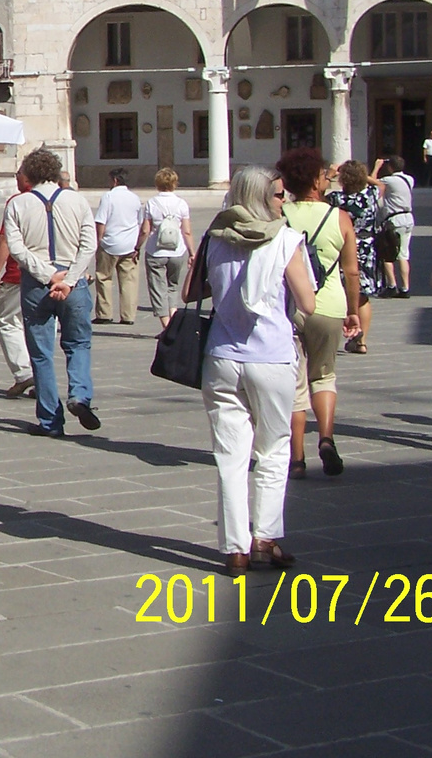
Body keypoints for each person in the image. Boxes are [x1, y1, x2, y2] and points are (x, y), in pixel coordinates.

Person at [194, 165, 317, 574]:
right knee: (273, 449)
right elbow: (308, 302)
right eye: (279, 194)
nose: (284, 201)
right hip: (271, 356)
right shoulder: (286, 240)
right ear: (265, 198)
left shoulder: (216, 238)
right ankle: (265, 536)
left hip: (222, 357)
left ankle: (235, 548)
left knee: (230, 456)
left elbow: (190, 292)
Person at [4, 148, 100, 436]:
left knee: (41, 353)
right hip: (73, 280)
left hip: (36, 283)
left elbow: (17, 248)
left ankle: (50, 421)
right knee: (78, 343)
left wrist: (48, 275)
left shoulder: (18, 204)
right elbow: (89, 245)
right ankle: (80, 395)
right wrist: (69, 279)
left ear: (29, 174)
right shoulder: (77, 200)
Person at [278, 148, 361, 479]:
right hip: (328, 306)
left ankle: (296, 459)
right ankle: (326, 438)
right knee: (324, 376)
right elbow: (351, 271)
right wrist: (353, 312)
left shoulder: (280, 215)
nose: (328, 178)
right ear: (314, 180)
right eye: (325, 175)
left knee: (294, 385)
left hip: (288, 306)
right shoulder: (339, 217)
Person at [0, 171, 36, 399]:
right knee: (42, 326)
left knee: (8, 322)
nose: (16, 178)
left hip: (19, 274)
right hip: (54, 276)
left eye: (19, 174)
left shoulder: (19, 202)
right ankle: (42, 377)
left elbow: (6, 239)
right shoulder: (62, 199)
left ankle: (24, 372)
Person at [327, 159, 380, 353]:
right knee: (362, 295)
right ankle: (361, 340)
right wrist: (363, 175)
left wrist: (328, 175)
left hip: (345, 247)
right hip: (367, 247)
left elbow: (316, 199)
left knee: (341, 291)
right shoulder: (371, 195)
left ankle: (344, 332)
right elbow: (380, 185)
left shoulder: (337, 199)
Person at [139, 168, 195, 329]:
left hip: (156, 251)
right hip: (177, 250)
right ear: (174, 183)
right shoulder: (181, 203)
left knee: (157, 288)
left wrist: (137, 247)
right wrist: (192, 252)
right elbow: (187, 231)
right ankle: (174, 319)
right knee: (172, 286)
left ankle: (166, 325)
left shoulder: (152, 203)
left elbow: (145, 230)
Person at [93, 168, 142, 325]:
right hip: (130, 244)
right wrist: (138, 245)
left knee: (104, 277)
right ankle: (128, 315)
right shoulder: (135, 198)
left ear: (115, 180)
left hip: (110, 243)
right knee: (129, 281)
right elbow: (139, 222)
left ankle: (104, 313)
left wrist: (98, 241)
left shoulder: (108, 197)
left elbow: (101, 220)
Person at [376, 155, 415, 298]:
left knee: (388, 253)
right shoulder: (409, 179)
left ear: (390, 167)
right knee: (403, 254)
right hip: (408, 218)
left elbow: (372, 181)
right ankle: (405, 287)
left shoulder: (388, 180)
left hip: (394, 219)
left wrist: (377, 167)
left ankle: (391, 285)